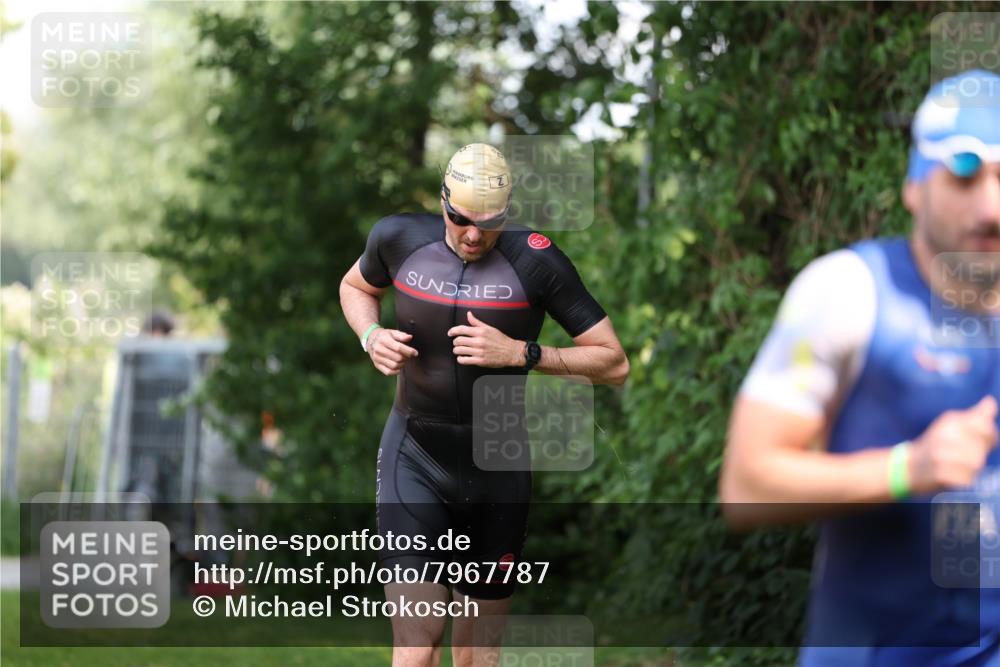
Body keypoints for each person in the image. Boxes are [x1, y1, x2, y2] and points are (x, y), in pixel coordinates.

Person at [720, 69, 1000, 666]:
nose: (991, 208)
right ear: (915, 186)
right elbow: (747, 486)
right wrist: (908, 469)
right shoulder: (848, 292)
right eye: (966, 174)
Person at [339, 143, 629, 667]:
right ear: (443, 200)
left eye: (489, 222)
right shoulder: (397, 238)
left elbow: (614, 363)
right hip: (414, 454)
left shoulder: (536, 260)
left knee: (475, 653)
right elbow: (355, 285)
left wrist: (522, 353)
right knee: (416, 641)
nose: (473, 234)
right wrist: (370, 335)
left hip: (498, 465)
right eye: (460, 219)